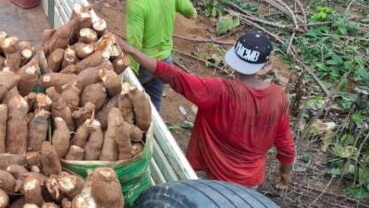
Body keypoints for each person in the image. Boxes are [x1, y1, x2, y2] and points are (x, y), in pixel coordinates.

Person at [118, 31, 295, 189]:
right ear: (265, 66)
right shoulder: (278, 96)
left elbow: (173, 76)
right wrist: (284, 175)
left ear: (234, 61)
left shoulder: (219, 90)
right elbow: (285, 144)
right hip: (249, 184)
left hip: (213, 180)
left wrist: (132, 51)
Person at [125, 0, 196, 111]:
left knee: (128, 104)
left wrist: (130, 75)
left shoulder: (135, 2)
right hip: (166, 61)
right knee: (154, 104)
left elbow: (134, 42)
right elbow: (192, 13)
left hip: (145, 64)